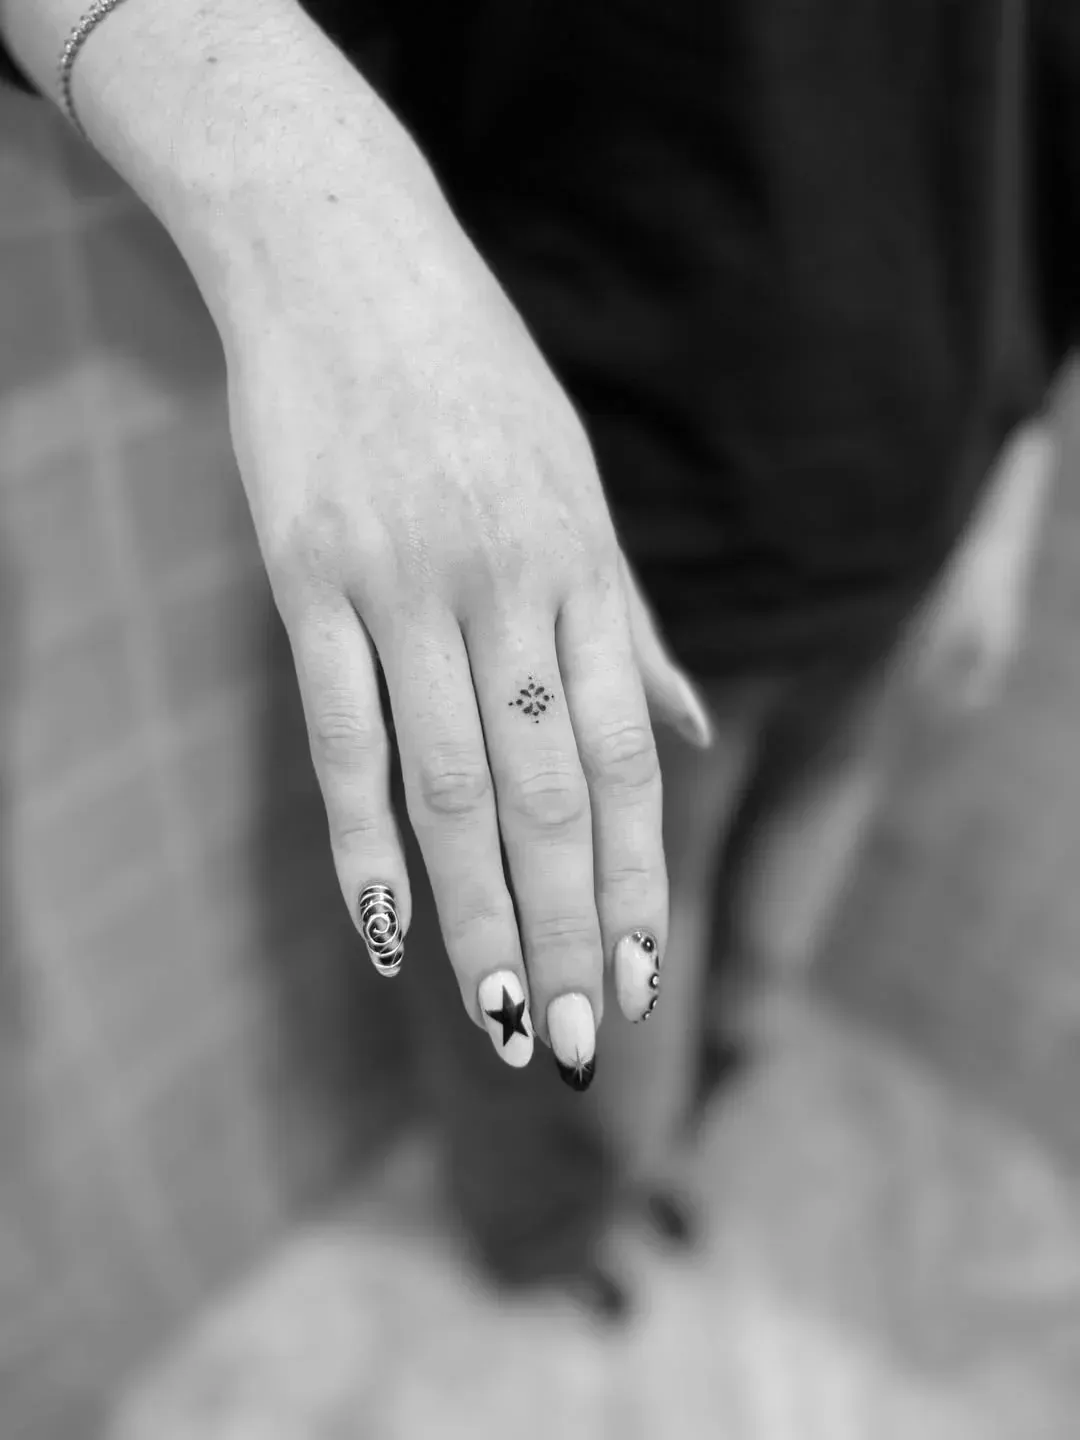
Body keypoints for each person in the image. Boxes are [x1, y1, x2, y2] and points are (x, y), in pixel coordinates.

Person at [0, 0, 1073, 1317]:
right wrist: (294, 193)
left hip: (909, 536)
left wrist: (1016, 479)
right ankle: (545, 1235)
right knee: (575, 1032)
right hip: (601, 566)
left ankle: (650, 1161)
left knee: (763, 964)